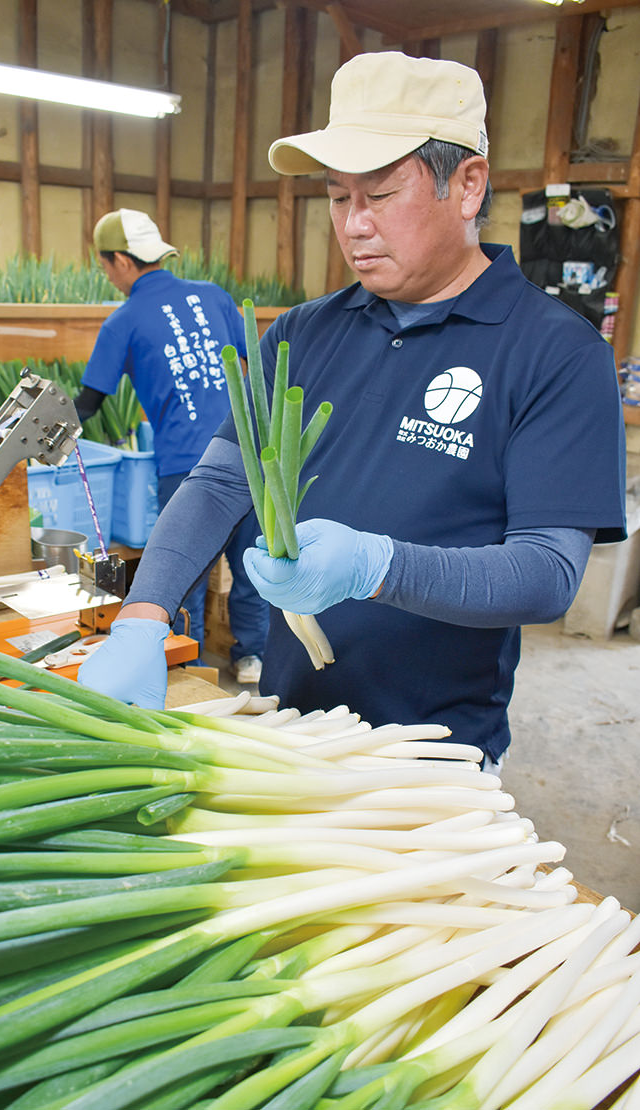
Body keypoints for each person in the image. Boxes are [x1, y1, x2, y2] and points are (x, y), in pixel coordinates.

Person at [78, 52, 626, 766]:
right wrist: (143, 617)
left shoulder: (556, 352)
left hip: (433, 756)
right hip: (287, 725)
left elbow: (548, 571)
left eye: (381, 194)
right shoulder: (305, 332)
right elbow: (219, 482)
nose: (354, 225)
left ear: (467, 187)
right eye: (339, 198)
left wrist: (378, 566)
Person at [74, 208, 268, 682]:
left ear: (121, 260)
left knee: (186, 574)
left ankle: (193, 668)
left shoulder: (123, 320)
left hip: (186, 464)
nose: (109, 276)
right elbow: (252, 368)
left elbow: (88, 403)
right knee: (254, 568)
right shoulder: (214, 296)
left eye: (105, 266)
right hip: (249, 452)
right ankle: (251, 659)